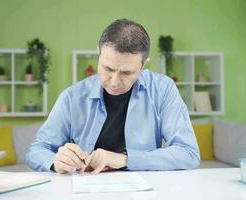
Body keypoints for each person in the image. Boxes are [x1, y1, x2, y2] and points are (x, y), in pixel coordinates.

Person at [26, 19, 200, 174]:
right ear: (99, 52)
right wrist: (55, 162)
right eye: (108, 69)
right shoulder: (72, 97)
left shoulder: (163, 89)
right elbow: (37, 151)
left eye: (126, 72)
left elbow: (188, 153)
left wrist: (125, 160)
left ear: (143, 65)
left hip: (143, 191)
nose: (114, 81)